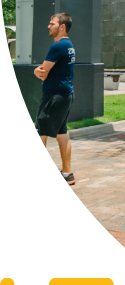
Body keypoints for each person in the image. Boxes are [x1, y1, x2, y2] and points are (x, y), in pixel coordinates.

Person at [34, 13, 76, 185]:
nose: (48, 26)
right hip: (65, 95)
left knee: (40, 133)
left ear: (62, 27)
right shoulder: (69, 45)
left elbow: (43, 73)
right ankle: (67, 175)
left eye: (52, 23)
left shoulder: (58, 46)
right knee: (62, 134)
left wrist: (36, 71)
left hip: (54, 96)